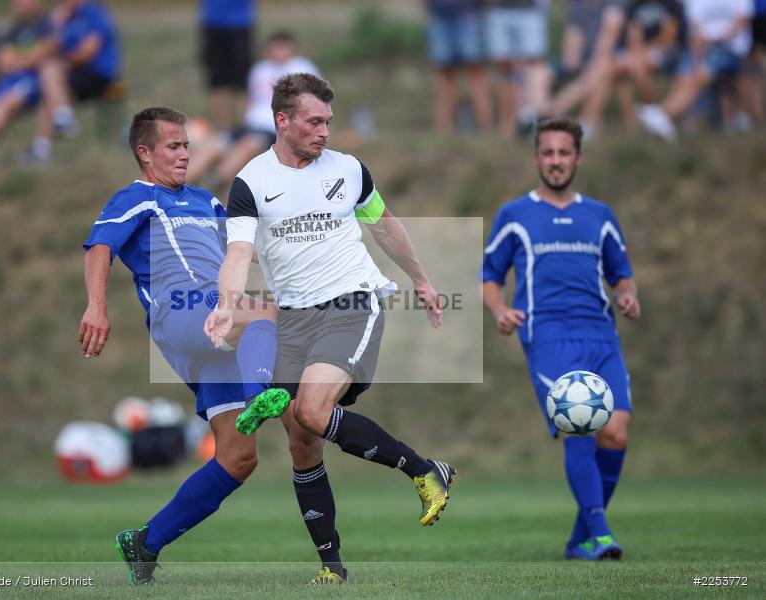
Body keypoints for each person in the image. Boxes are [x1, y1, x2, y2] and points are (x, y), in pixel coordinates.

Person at [205, 73, 456, 585]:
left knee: (314, 411)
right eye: (314, 122)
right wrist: (228, 304)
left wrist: (422, 280)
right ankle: (332, 567)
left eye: (329, 122)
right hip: (294, 318)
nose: (325, 132)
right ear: (283, 120)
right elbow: (238, 252)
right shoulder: (250, 182)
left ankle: (423, 470)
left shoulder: (349, 170)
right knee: (301, 439)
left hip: (351, 303)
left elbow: (385, 226)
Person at [79, 106, 290, 585]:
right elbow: (100, 248)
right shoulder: (137, 198)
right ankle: (262, 396)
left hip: (215, 322)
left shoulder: (206, 200)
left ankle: (145, 543)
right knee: (264, 314)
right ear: (145, 152)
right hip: (181, 313)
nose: (183, 154)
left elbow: (245, 247)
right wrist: (97, 306)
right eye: (173, 146)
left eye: (186, 145)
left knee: (238, 458)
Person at [481, 116, 640, 560]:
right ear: (537, 158)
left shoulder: (601, 216)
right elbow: (489, 278)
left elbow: (621, 275)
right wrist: (500, 310)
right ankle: (602, 534)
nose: (555, 161)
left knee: (616, 436)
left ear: (578, 157)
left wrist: (628, 297)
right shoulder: (515, 215)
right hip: (548, 336)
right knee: (580, 426)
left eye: (563, 153)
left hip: (601, 335)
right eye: (547, 153)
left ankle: (579, 538)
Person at [186, 31, 319, 189]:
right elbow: (250, 99)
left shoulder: (302, 68)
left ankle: (215, 181)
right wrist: (243, 120)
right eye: (276, 48)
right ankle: (178, 182)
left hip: (275, 128)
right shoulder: (259, 69)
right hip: (251, 124)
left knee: (249, 144)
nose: (279, 52)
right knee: (217, 141)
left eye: (283, 48)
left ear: (292, 49)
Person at [637, 0, 754, 141]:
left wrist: (716, 39)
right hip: (702, 49)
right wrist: (698, 56)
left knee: (701, 73)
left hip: (731, 49)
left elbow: (741, 23)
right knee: (686, 72)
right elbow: (695, 31)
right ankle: (679, 121)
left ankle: (665, 115)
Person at [29, 0, 121, 161]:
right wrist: (55, 26)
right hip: (76, 72)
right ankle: (47, 142)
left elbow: (88, 51)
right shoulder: (64, 19)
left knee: (50, 74)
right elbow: (49, 49)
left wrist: (64, 65)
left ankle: (61, 123)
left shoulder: (94, 12)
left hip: (98, 74)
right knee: (49, 84)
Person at [0, 0, 54, 153]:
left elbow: (45, 51)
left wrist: (20, 60)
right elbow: (4, 59)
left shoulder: (48, 24)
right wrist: (28, 59)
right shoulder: (13, 29)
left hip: (37, 79)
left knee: (10, 100)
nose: (22, 5)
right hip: (13, 78)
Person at [544, 0, 626, 138]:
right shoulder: (578, 4)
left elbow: (608, 39)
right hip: (588, 56)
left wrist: (593, 62)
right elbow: (574, 34)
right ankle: (539, 113)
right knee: (539, 70)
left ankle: (552, 113)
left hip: (614, 55)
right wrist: (572, 55)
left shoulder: (614, 4)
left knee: (602, 68)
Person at [612, 0, 685, 130]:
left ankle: (651, 112)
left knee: (640, 67)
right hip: (641, 52)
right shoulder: (634, 6)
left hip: (668, 51)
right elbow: (633, 35)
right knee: (618, 69)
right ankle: (631, 119)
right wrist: (638, 50)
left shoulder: (672, 5)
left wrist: (645, 50)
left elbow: (670, 36)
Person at [482, 0, 552, 136]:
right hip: (500, 10)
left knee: (534, 65)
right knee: (506, 69)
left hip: (530, 10)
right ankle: (512, 122)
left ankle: (537, 121)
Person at [424, 0, 493, 132]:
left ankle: (485, 127)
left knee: (476, 73)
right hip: (440, 15)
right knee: (445, 76)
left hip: (469, 14)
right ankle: (444, 128)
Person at [199, 0, 256, 132]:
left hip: (240, 21)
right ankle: (221, 129)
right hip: (212, 21)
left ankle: (244, 127)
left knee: (243, 79)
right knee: (217, 78)